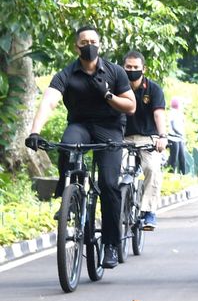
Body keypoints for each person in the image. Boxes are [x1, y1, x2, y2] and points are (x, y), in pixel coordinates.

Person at [25, 25, 136, 269]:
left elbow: (131, 106)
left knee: (108, 184)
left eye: (93, 41)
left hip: (109, 128)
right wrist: (35, 131)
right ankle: (68, 196)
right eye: (84, 42)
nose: (89, 46)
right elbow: (49, 102)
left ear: (100, 44)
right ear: (77, 46)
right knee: (67, 145)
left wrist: (107, 96)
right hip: (81, 125)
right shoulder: (67, 74)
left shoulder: (115, 72)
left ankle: (110, 245)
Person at [122, 50, 168, 231]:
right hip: (122, 138)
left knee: (152, 169)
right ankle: (117, 208)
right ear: (123, 67)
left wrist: (162, 136)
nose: (132, 70)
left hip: (147, 138)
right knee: (114, 170)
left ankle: (149, 211)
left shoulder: (153, 89)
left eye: (136, 67)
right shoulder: (117, 87)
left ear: (144, 69)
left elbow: (159, 114)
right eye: (128, 67)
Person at [166, 98, 188, 174]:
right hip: (173, 138)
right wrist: (180, 133)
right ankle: (171, 173)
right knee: (174, 158)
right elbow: (173, 126)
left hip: (180, 138)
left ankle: (183, 173)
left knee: (182, 157)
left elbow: (182, 124)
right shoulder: (172, 112)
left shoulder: (180, 113)